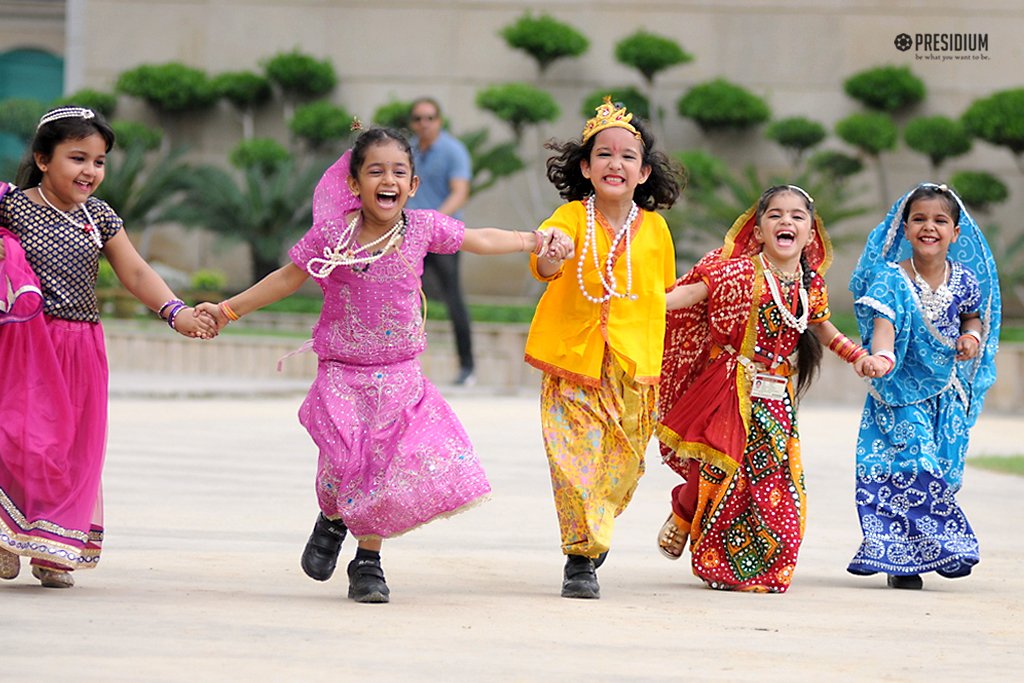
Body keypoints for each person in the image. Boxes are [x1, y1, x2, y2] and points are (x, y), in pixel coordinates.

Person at [197, 126, 572, 604]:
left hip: (398, 373)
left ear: (412, 186)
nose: (387, 179)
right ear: (354, 184)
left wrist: (533, 240)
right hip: (342, 369)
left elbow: (479, 238)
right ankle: (331, 518)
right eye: (375, 170)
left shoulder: (422, 228)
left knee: (381, 468)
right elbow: (288, 278)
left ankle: (368, 563)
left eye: (399, 171)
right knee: (342, 461)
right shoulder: (333, 236)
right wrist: (227, 311)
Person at [0, 106, 216, 589]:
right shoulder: (10, 207)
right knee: (22, 436)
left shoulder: (99, 216)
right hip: (26, 344)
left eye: (99, 161)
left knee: (73, 447)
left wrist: (176, 312)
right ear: (42, 158)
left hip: (81, 347)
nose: (90, 171)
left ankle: (53, 548)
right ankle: (8, 535)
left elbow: (136, 272)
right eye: (78, 158)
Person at [655, 185, 880, 593]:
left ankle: (765, 567)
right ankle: (698, 533)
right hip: (727, 390)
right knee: (720, 475)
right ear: (757, 231)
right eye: (775, 215)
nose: (785, 222)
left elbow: (823, 328)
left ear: (811, 235)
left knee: (775, 486)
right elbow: (687, 296)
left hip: (777, 402)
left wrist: (859, 358)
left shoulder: (810, 287)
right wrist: (636, 300)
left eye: (797, 216)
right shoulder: (734, 272)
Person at [524, 97, 681, 600]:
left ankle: (595, 532)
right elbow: (548, 261)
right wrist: (552, 252)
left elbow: (664, 296)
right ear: (586, 168)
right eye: (604, 155)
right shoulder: (571, 216)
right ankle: (579, 559)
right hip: (574, 361)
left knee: (625, 467)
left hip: (633, 370)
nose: (616, 163)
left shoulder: (655, 229)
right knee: (575, 462)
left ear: (644, 172)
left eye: (627, 156)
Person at [846, 183, 1000, 590]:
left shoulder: (964, 279)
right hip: (898, 393)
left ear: (955, 232)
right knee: (913, 467)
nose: (929, 227)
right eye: (919, 219)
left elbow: (971, 318)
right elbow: (884, 328)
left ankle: (927, 549)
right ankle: (916, 556)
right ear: (905, 227)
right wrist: (882, 358)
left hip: (946, 393)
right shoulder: (889, 278)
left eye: (939, 220)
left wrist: (971, 337)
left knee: (944, 473)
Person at [407, 97, 476, 386]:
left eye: (430, 117)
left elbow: (460, 192)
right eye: (419, 118)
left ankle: (467, 368)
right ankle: (405, 369)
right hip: (408, 238)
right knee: (402, 299)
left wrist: (432, 222)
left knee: (453, 299)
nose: (424, 123)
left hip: (442, 237)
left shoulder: (453, 150)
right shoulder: (407, 150)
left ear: (440, 120)